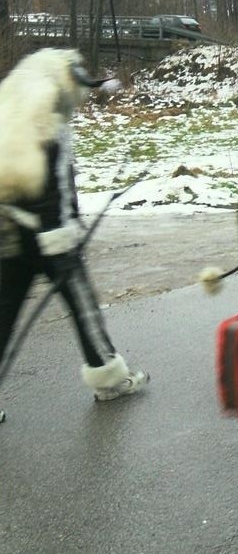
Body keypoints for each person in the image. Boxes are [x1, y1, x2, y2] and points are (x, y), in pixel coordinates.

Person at [0, 48, 148, 402]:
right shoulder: (48, 111)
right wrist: (63, 236)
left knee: (3, 314)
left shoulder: (12, 104)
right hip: (51, 238)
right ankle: (110, 379)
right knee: (84, 308)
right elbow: (55, 182)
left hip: (9, 232)